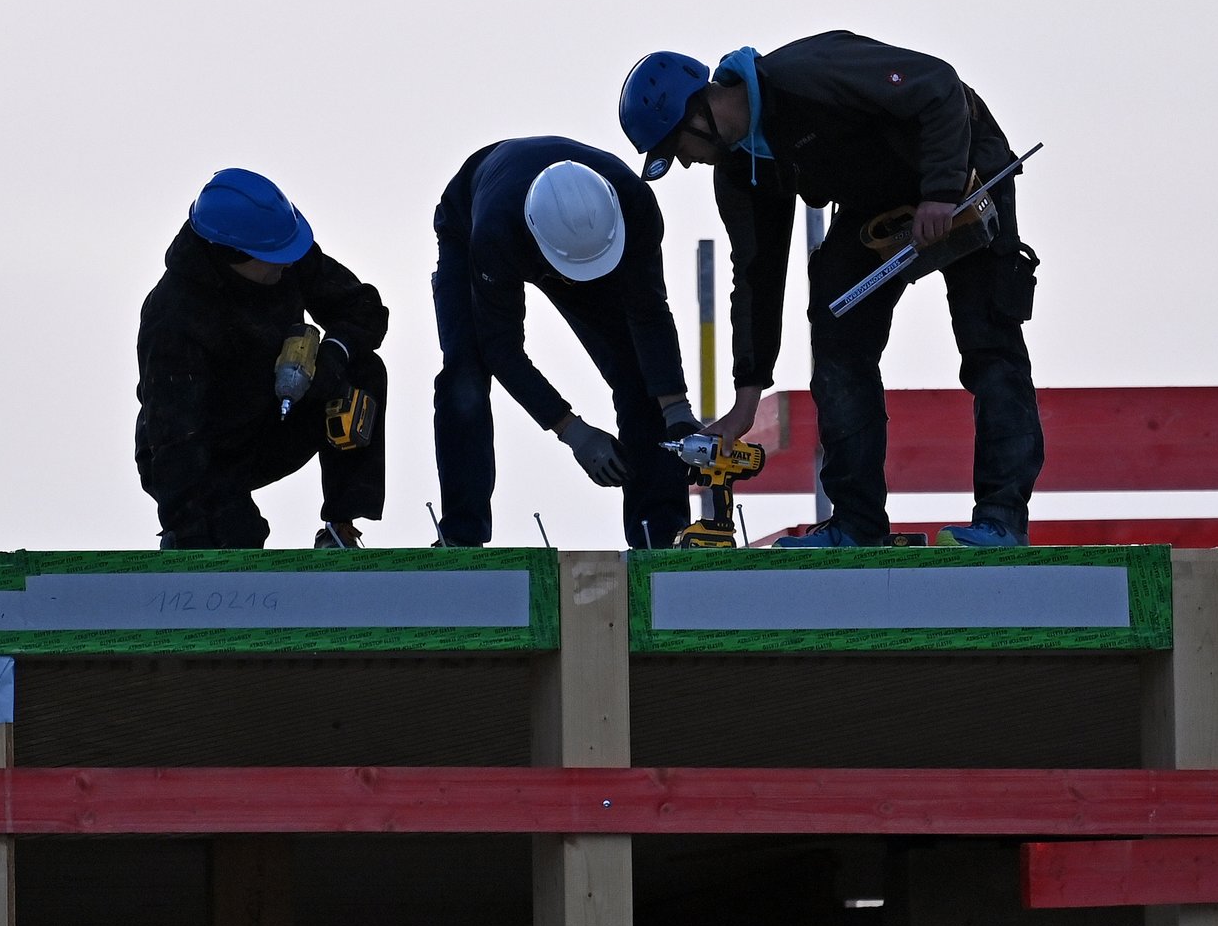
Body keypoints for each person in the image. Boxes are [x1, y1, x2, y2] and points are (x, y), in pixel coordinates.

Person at [619, 31, 1044, 547]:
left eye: (675, 148)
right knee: (836, 331)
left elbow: (937, 85)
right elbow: (756, 278)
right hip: (876, 202)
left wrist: (939, 190)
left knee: (988, 340)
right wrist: (745, 401)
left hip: (961, 166)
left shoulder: (807, 74)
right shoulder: (742, 171)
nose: (685, 162)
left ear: (696, 114)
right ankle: (856, 524)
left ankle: (1001, 519)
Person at [430, 136, 700, 549]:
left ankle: (659, 534)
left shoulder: (635, 204)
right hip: (471, 218)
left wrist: (677, 411)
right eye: (576, 273)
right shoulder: (495, 233)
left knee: (639, 374)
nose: (581, 284)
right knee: (465, 375)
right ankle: (461, 536)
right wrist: (572, 432)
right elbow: (500, 347)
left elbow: (649, 312)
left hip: (582, 237)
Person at [135, 168, 390, 549]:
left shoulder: (284, 254)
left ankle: (341, 529)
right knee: (233, 539)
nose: (286, 264)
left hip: (271, 422)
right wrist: (187, 528)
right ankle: (198, 533)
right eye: (275, 258)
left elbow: (364, 308)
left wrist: (334, 355)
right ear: (232, 254)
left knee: (364, 371)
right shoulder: (174, 317)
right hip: (199, 454)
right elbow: (175, 435)